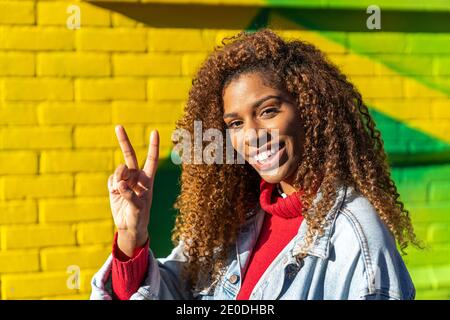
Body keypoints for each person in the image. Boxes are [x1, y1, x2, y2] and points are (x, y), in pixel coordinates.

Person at [90, 28, 419, 300]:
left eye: (268, 111)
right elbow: (174, 294)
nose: (252, 136)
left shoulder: (354, 235)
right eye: (235, 123)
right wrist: (131, 237)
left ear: (309, 110)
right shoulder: (232, 218)